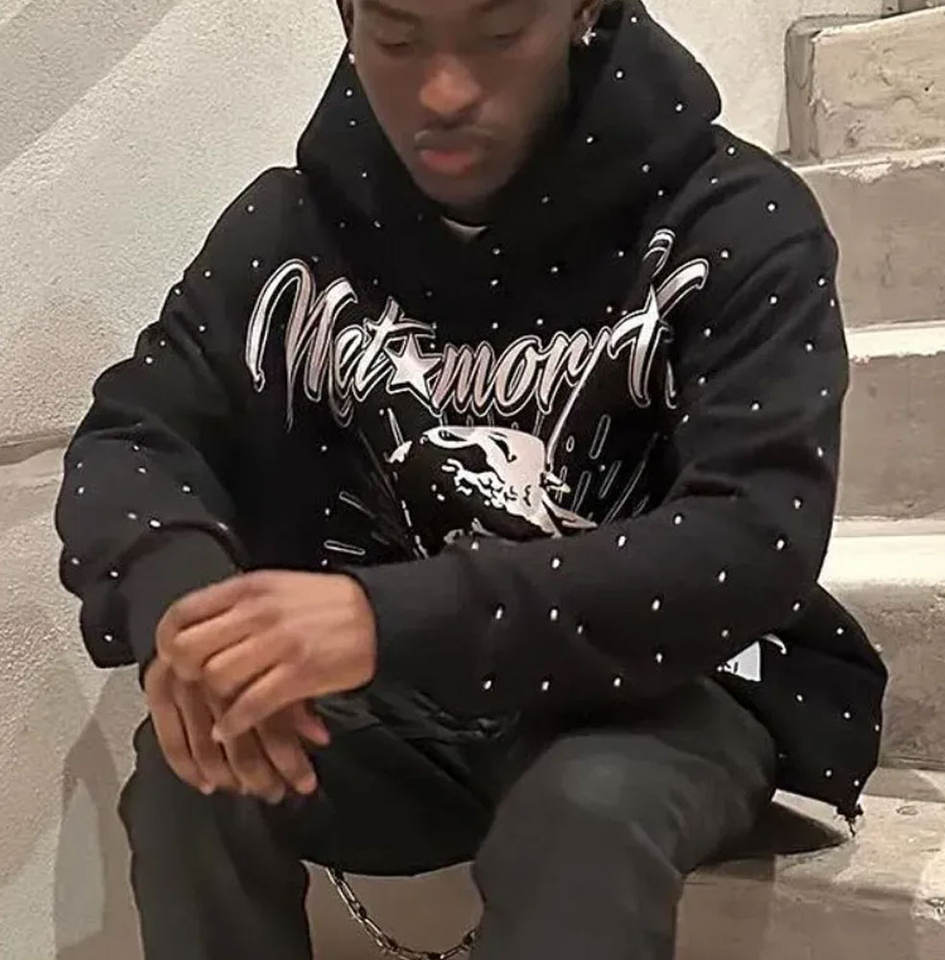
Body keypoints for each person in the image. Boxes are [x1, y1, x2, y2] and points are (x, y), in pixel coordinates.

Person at [55, 1, 888, 958]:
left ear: (584, 10)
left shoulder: (735, 216)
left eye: (499, 36)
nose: (445, 92)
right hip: (400, 707)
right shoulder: (285, 228)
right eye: (397, 39)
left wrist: (382, 619)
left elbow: (752, 537)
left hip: (655, 686)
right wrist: (187, 606)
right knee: (195, 767)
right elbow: (135, 436)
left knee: (587, 812)